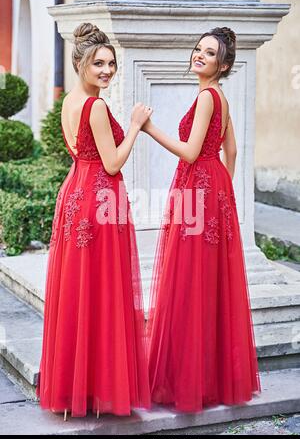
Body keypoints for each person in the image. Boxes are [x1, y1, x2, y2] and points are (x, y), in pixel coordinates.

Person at [37, 23, 152, 419]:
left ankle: (76, 389)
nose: (107, 70)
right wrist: (135, 126)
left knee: (78, 292)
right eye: (98, 63)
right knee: (100, 291)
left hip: (75, 193)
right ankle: (98, 389)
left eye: (111, 63)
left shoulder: (70, 100)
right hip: (99, 200)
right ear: (81, 64)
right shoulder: (96, 105)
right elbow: (113, 161)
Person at [144, 27, 261, 412]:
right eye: (198, 49)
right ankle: (209, 377)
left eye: (208, 53)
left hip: (197, 188)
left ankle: (190, 381)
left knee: (190, 280)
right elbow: (232, 150)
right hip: (210, 190)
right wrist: (221, 191)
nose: (199, 55)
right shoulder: (218, 97)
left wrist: (148, 128)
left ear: (222, 65)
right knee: (205, 281)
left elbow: (191, 152)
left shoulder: (209, 96)